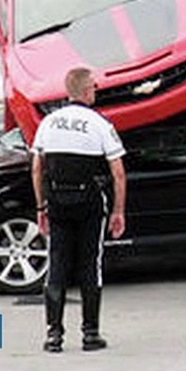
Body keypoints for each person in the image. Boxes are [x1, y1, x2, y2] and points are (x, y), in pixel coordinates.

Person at [31, 66, 127, 353]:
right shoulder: (99, 123)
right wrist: (119, 210)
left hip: (57, 201)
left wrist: (40, 206)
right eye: (94, 88)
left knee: (57, 264)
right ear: (86, 91)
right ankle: (90, 333)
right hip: (89, 202)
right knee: (90, 265)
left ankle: (54, 334)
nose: (95, 92)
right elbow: (118, 173)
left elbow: (37, 168)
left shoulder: (49, 122)